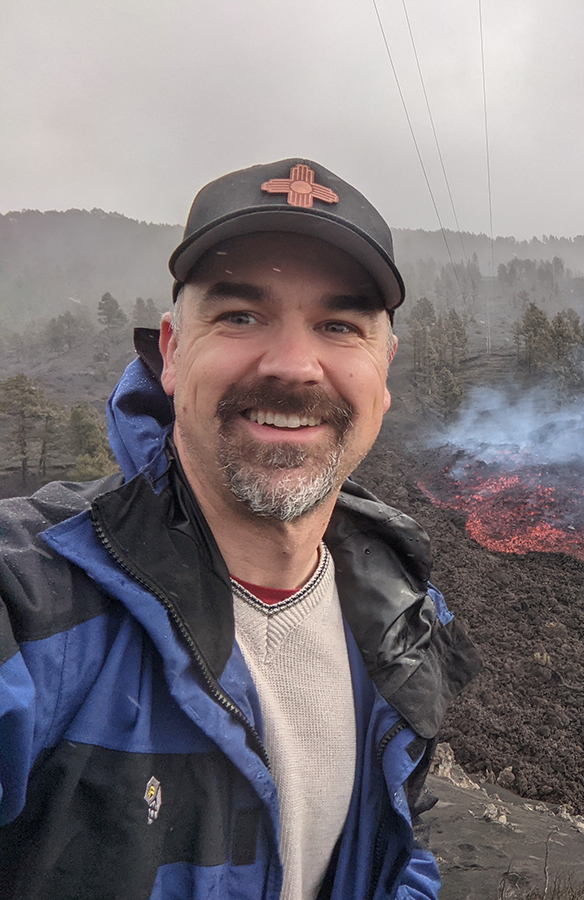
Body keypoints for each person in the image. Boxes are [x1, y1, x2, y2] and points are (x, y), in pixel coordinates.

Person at [0, 158, 481, 899]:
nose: (293, 365)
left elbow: (391, 849)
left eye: (339, 325)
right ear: (171, 350)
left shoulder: (397, 614)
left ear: (384, 371)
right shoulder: (37, 603)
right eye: (240, 316)